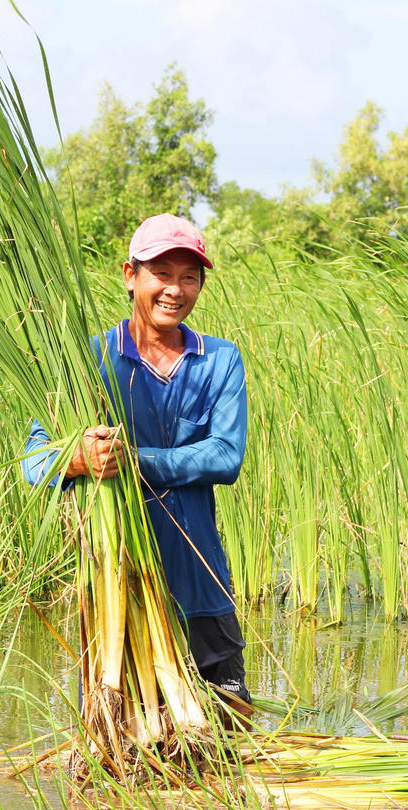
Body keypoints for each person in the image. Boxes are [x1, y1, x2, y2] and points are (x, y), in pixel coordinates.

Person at [22, 212, 251, 716]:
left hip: (201, 584)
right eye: (161, 274)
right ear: (131, 275)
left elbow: (226, 457)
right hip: (117, 594)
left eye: (189, 277)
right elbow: (33, 460)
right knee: (121, 753)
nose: (175, 289)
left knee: (235, 737)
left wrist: (132, 461)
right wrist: (79, 457)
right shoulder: (90, 359)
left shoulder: (220, 360)